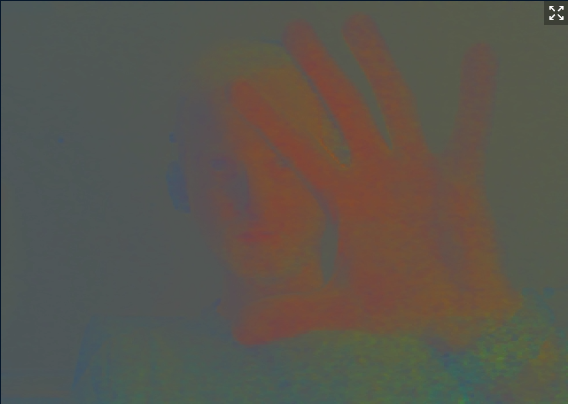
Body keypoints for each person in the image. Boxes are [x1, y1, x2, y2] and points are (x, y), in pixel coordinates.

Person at [68, 14, 567, 403]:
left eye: (283, 163)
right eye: (220, 168)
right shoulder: (138, 367)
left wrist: (482, 323)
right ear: (182, 185)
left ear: (333, 167)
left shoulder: (447, 355)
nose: (253, 200)